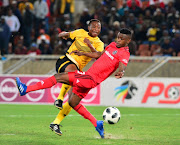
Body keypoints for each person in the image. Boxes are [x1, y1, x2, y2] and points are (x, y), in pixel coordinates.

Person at [16, 28, 132, 138]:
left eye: (122, 39)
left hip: (89, 79)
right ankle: (97, 124)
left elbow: (122, 65)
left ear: (128, 41)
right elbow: (98, 55)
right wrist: (84, 53)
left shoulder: (124, 53)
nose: (118, 40)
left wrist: (121, 71)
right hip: (89, 78)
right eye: (118, 37)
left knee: (58, 77)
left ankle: (26, 89)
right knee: (72, 102)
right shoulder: (112, 45)